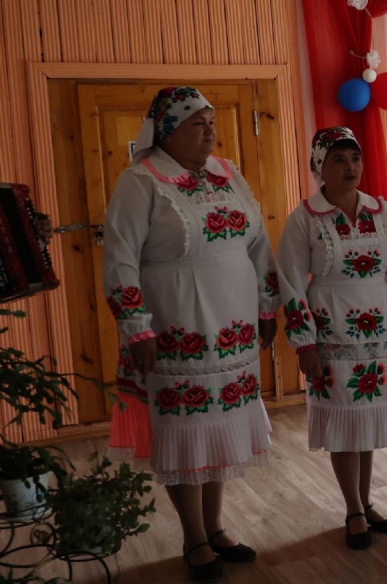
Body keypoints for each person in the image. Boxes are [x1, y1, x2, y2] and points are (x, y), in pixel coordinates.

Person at [103, 87, 278, 581]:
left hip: (233, 323)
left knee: (218, 424)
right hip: (176, 321)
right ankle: (194, 536)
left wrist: (267, 304)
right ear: (166, 131)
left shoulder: (227, 173)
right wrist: (136, 327)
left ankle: (215, 527)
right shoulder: (141, 181)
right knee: (186, 426)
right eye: (196, 123)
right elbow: (119, 259)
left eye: (211, 122)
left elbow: (258, 242)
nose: (209, 132)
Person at [277, 127, 387, 549]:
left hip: (375, 329)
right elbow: (290, 282)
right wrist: (304, 343)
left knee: (365, 416)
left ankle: (366, 502)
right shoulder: (305, 217)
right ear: (320, 168)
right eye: (338, 159)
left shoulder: (381, 211)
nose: (350, 167)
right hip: (330, 327)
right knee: (343, 417)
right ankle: (353, 508)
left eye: (354, 158)